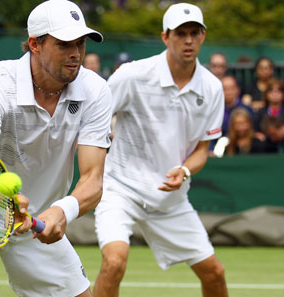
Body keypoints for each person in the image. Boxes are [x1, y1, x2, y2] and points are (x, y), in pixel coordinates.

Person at [0, 1, 111, 296]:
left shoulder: (95, 91)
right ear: (35, 44)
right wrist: (7, 201)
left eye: (80, 44)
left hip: (37, 220)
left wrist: (61, 211)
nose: (75, 54)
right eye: (64, 44)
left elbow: (93, 180)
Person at [93, 3, 228, 297]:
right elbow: (93, 119)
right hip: (121, 190)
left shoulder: (213, 88)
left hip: (170, 200)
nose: (188, 40)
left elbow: (202, 149)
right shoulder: (131, 75)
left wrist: (184, 169)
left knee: (215, 274)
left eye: (195, 33)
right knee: (114, 263)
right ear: (166, 38)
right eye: (181, 33)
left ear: (203, 37)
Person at [209, 75, 252, 154]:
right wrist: (210, 149)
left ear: (238, 90)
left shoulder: (247, 110)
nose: (228, 92)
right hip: (220, 149)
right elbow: (211, 133)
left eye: (231, 89)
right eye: (225, 89)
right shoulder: (214, 111)